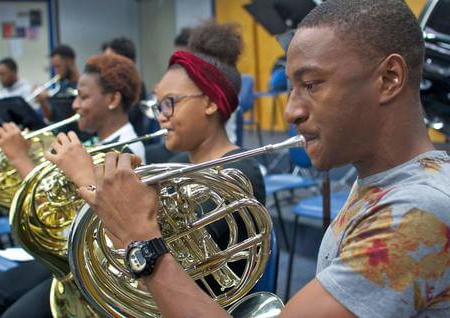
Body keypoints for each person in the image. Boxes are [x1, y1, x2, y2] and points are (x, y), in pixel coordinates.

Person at [80, 1, 450, 317]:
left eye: (312, 84)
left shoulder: (418, 214)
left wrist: (143, 239)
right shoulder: (388, 180)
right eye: (291, 87)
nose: (291, 111)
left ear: (389, 78)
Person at [0, 53, 144, 318]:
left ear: (113, 100)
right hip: (71, 254)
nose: (75, 104)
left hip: (94, 267)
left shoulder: (126, 152)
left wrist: (20, 158)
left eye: (83, 97)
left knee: (5, 304)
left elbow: (73, 221)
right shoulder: (94, 143)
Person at [102, 37, 151, 137]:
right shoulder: (110, 85)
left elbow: (122, 119)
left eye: (110, 61)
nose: (105, 66)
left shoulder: (137, 86)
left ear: (128, 62)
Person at [36, 44, 80, 121]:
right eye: (54, 67)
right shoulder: (61, 85)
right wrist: (43, 101)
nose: (56, 71)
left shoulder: (82, 85)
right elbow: (51, 117)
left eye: (58, 66)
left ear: (70, 62)